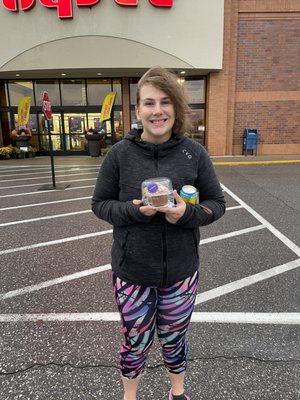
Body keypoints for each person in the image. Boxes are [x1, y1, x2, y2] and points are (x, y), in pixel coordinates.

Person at [91, 67, 225, 400]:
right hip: (133, 273)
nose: (157, 110)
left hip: (181, 272)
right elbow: (100, 205)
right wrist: (136, 211)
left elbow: (217, 204)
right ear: (137, 109)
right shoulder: (119, 155)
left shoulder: (194, 153)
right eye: (149, 103)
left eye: (165, 102)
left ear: (176, 108)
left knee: (174, 337)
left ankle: (177, 392)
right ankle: (130, 396)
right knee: (135, 341)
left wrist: (186, 214)